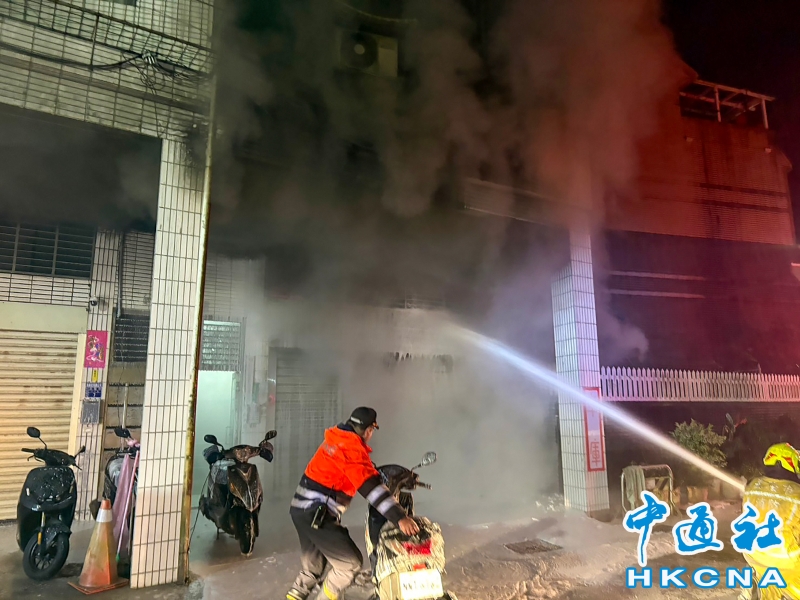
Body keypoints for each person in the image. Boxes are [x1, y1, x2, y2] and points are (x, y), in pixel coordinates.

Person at [286, 407, 420, 600]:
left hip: (301, 510)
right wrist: (400, 518)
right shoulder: (350, 449)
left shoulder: (337, 438)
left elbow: (358, 469)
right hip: (317, 514)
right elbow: (371, 489)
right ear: (369, 430)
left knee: (312, 569)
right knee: (349, 564)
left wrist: (379, 473)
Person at [738, 443, 800, 600]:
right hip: (785, 560)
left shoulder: (752, 485)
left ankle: (756, 584)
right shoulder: (797, 493)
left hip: (753, 555)